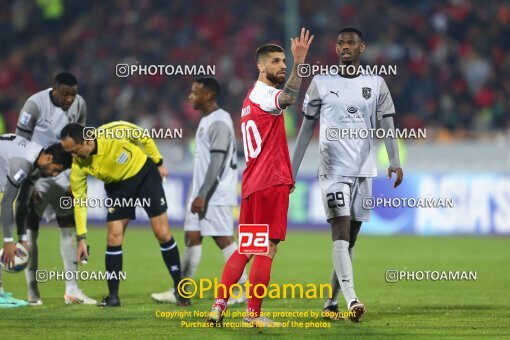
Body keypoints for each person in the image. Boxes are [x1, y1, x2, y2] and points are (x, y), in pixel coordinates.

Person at [291, 27, 404, 322]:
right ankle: (353, 300)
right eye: (340, 43)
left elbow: (387, 122)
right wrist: (292, 169)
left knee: (349, 241)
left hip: (364, 170)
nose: (345, 47)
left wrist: (394, 159)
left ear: (362, 47)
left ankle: (331, 302)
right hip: (332, 170)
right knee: (339, 231)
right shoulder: (321, 82)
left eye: (350, 43)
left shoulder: (376, 83)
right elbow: (306, 130)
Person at [207, 28, 314, 327]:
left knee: (246, 248)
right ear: (261, 66)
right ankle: (253, 315)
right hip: (271, 182)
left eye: (284, 61)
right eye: (277, 61)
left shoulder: (248, 99)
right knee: (268, 248)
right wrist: (300, 62)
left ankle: (218, 307)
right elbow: (290, 97)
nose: (282, 65)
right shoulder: (266, 95)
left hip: (253, 183)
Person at [60, 121, 189, 307]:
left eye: (74, 150)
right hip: (118, 189)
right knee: (113, 236)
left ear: (88, 141)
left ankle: (180, 290)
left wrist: (159, 162)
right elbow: (79, 201)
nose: (73, 156)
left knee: (162, 233)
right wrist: (81, 237)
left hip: (144, 176)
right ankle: (113, 297)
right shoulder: (78, 166)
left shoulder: (113, 131)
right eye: (69, 152)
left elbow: (143, 136)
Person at [151, 78, 248, 305]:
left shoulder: (219, 122)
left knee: (223, 238)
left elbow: (217, 160)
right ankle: (181, 290)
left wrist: (203, 194)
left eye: (195, 93)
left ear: (209, 96)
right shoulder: (208, 120)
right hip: (202, 193)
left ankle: (243, 288)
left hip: (215, 194)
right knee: (192, 237)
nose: (190, 97)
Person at [15, 72, 95, 305]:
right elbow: (21, 142)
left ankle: (72, 290)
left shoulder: (80, 104)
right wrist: (27, 182)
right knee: (31, 230)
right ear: (54, 89)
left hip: (64, 174)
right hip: (38, 173)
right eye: (65, 94)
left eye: (73, 94)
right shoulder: (34, 104)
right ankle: (32, 291)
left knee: (68, 227)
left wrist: (75, 177)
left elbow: (79, 141)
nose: (70, 99)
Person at [0, 134, 72, 308]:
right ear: (49, 158)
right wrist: (9, 242)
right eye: (55, 169)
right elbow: (7, 203)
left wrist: (22, 238)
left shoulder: (35, 164)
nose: (54, 175)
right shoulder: (23, 164)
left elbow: (22, 202)